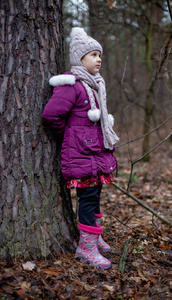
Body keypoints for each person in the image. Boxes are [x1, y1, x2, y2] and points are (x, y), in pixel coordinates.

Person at [42, 27, 119, 269]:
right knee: (87, 198)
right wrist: (69, 136)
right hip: (81, 153)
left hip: (95, 152)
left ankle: (94, 237)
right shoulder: (72, 85)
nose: (98, 59)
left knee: (95, 196)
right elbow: (51, 114)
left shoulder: (95, 85)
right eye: (93, 55)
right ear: (80, 58)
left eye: (100, 55)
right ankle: (86, 248)